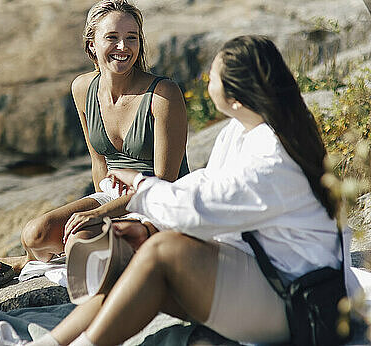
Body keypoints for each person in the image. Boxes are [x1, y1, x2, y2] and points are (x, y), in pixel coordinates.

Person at [29, 35, 362, 346]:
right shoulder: (242, 131)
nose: (207, 83)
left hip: (302, 306)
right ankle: (54, 342)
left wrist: (142, 187)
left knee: (163, 251)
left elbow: (202, 209)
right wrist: (144, 223)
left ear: (234, 96)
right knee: (136, 254)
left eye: (213, 78)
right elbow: (204, 184)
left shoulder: (275, 153)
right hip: (269, 281)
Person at [0, 0, 188, 287]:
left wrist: (99, 215)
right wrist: (101, 205)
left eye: (132, 38)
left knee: (80, 240)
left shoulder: (163, 93)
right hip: (114, 197)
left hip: (159, 201)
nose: (123, 47)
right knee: (35, 234)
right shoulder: (83, 87)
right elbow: (99, 163)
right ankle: (25, 263)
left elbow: (165, 182)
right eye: (112, 37)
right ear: (92, 44)